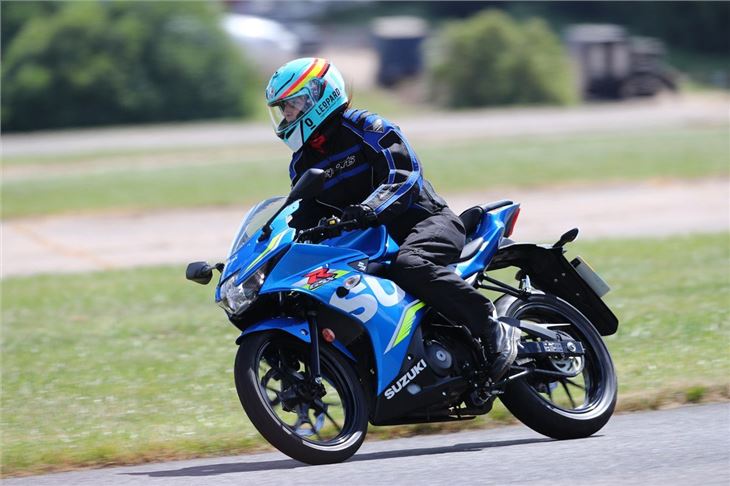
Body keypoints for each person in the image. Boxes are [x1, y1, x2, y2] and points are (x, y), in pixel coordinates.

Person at [265, 58, 520, 383]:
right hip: (373, 246)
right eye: (282, 108)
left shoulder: (366, 127)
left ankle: (491, 324)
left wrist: (371, 208)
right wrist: (271, 252)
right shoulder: (302, 163)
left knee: (409, 264)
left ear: (320, 95)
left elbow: (405, 175)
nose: (286, 115)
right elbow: (303, 217)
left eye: (292, 104)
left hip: (427, 223)